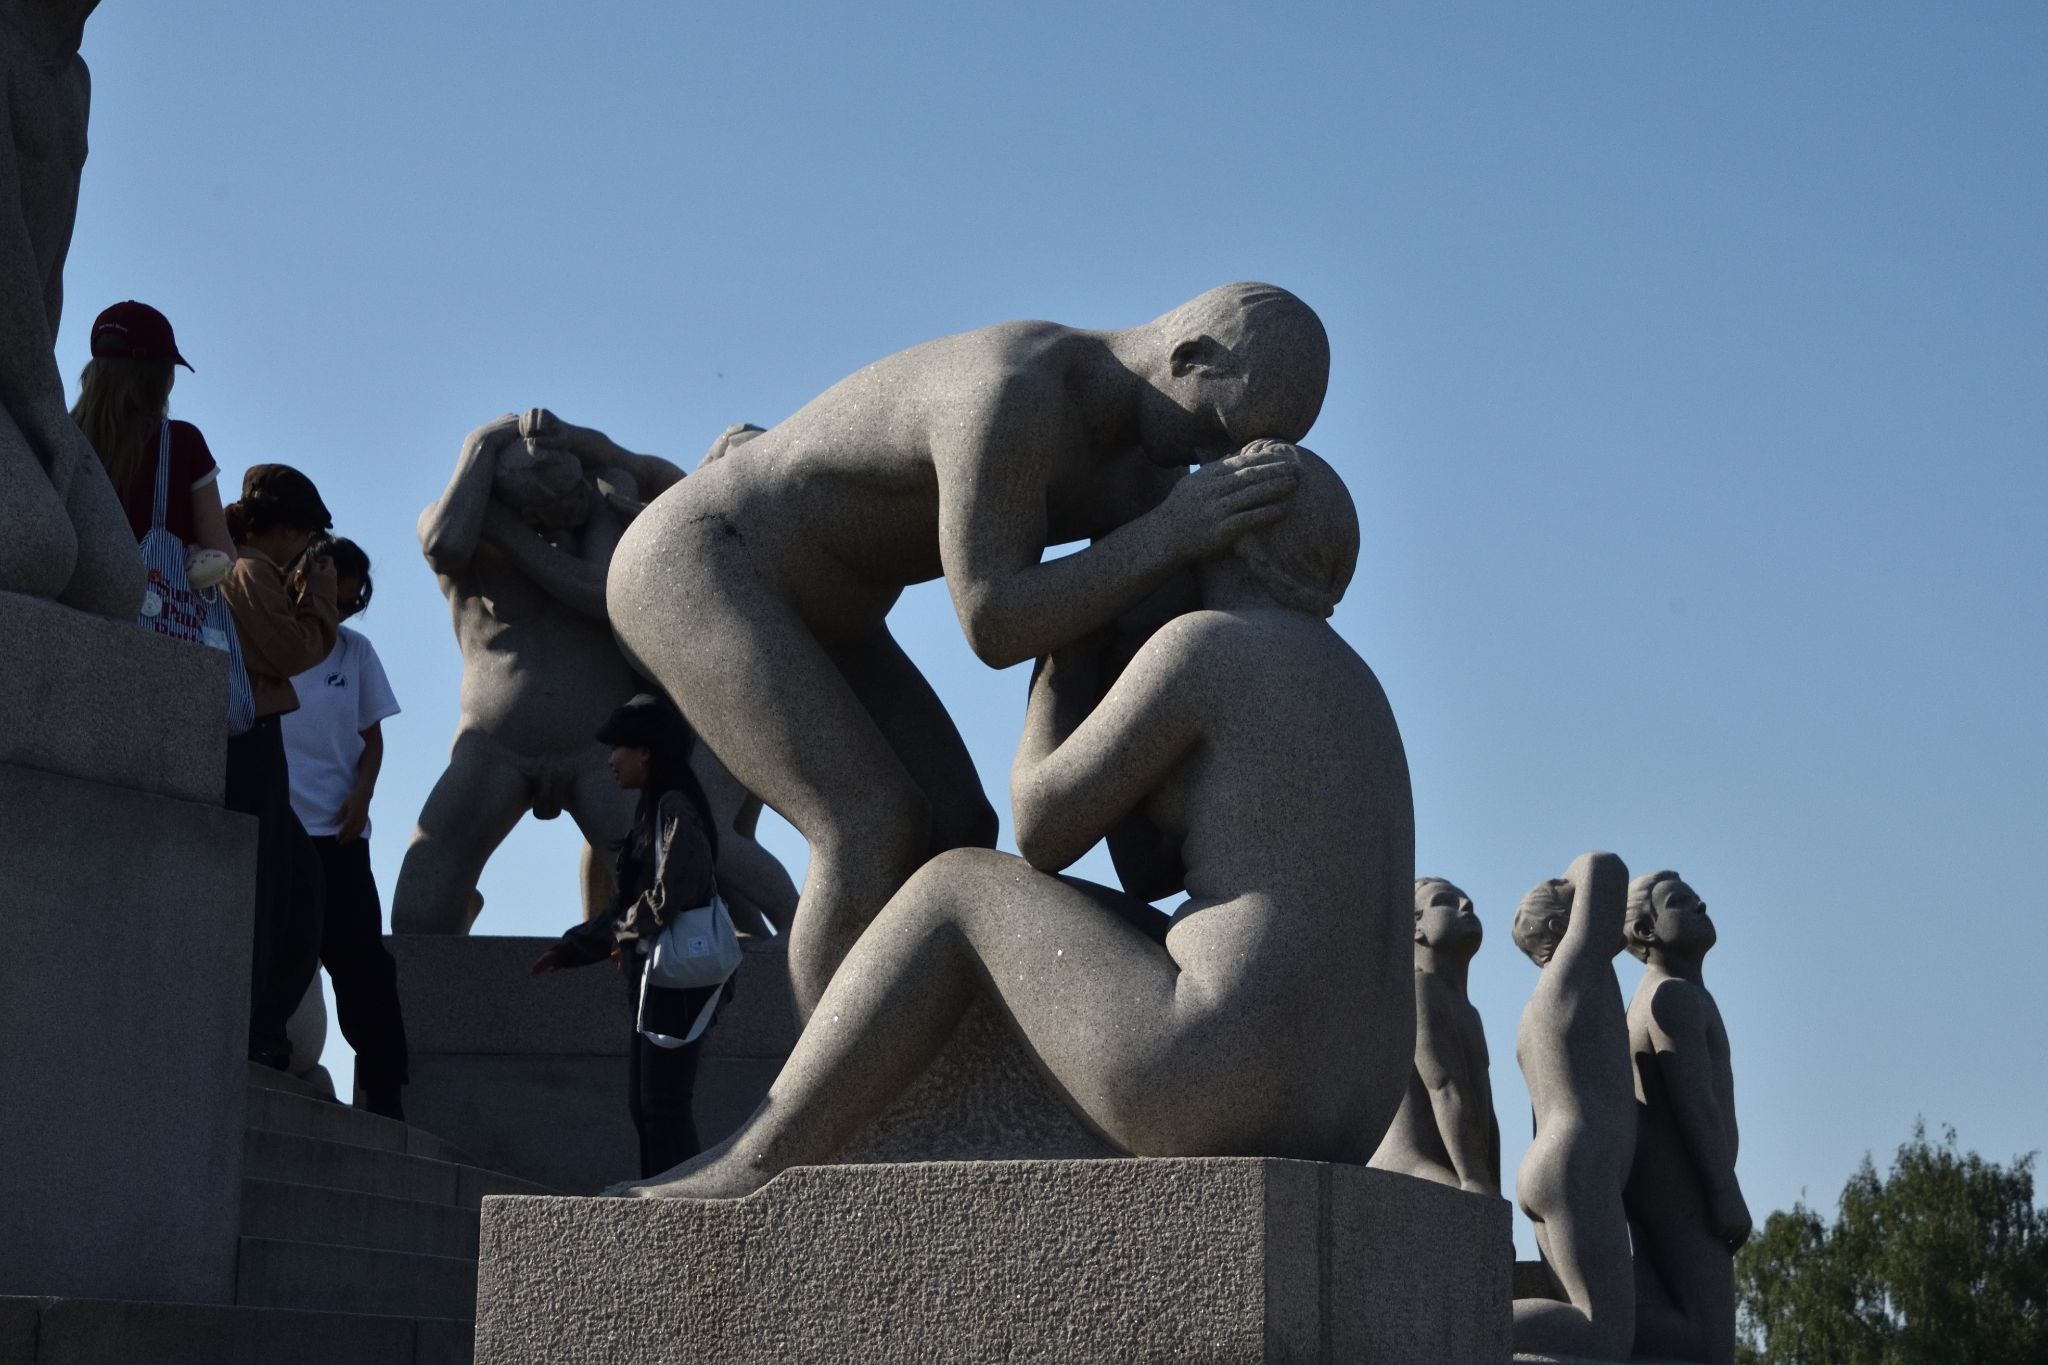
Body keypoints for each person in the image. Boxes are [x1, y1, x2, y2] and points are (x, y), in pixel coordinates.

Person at [615, 445, 1416, 1200]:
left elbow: (1040, 828)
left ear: (1233, 530)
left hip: (1215, 1069)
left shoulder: (1206, 647)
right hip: (1349, 1100)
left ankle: (758, 1157)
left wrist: (1063, 662)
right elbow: (1150, 873)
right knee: (1048, 921)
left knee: (957, 883)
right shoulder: (1359, 686)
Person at [609, 283, 1331, 1017]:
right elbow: (994, 623)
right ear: (1189, 357)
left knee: (958, 827)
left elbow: (1104, 624)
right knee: (866, 825)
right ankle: (817, 1110)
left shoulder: (1149, 476)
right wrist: (1169, 536)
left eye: (1229, 452)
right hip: (701, 564)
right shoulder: (1017, 394)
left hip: (837, 610)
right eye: (1213, 431)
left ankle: (913, 1081)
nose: (1212, 462)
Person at [531, 693, 728, 1178]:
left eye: (618, 747)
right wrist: (572, 948)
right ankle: (663, 1202)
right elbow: (625, 905)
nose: (610, 759)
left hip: (677, 981)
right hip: (656, 980)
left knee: (663, 1105)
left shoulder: (675, 807)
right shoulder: (654, 811)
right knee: (647, 1107)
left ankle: (682, 1209)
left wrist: (625, 934)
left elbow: (672, 888)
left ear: (646, 751)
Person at [280, 538, 409, 1119]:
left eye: (354, 602)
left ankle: (384, 1090)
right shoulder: (272, 637)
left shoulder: (356, 653)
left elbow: (372, 737)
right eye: (340, 594)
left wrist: (363, 794)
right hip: (279, 831)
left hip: (340, 835)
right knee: (282, 955)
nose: (346, 609)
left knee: (363, 965)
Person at [219, 465, 339, 1069]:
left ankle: (263, 1024)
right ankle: (256, 1026)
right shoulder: (249, 570)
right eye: (309, 537)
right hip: (248, 738)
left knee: (296, 888)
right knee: (275, 891)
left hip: (254, 736)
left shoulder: (250, 570)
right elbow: (294, 652)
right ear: (288, 529)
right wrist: (318, 596)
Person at [1510, 852, 1639, 1360]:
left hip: (1556, 1163)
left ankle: (1463, 1324)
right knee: (1602, 1335)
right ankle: (1459, 1325)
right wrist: (1573, 875)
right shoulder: (1574, 967)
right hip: (1577, 1166)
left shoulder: (1537, 1005)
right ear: (1561, 925)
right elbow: (1605, 868)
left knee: (1581, 1328)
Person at [1622, 870, 1749, 1365]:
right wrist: (1722, 1190)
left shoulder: (1675, 993)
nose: (1700, 905)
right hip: (1681, 1188)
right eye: (1680, 901)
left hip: (1673, 1187)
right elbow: (1694, 1102)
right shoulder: (1669, 996)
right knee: (1708, 1342)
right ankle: (1585, 1325)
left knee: (1687, 1328)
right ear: (1646, 932)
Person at [69, 300, 235, 580]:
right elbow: (223, 554)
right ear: (160, 376)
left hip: (72, 600)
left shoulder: (63, 436)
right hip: (149, 613)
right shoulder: (182, 443)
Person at [1370, 877, 1500, 1194]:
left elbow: (1486, 1114)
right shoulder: (1419, 987)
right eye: (1444, 901)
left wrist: (1491, 1187)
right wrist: (1476, 1181)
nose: (1466, 906)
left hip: (1453, 1168)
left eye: (1467, 900)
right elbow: (1443, 1085)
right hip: (1408, 1166)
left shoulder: (1469, 1012)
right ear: (1414, 928)